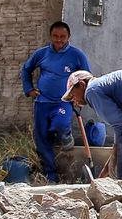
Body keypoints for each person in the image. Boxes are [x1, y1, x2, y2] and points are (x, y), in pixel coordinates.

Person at [21, 21, 90, 183]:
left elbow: (86, 77)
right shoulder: (42, 54)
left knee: (59, 125)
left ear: (68, 37)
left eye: (62, 37)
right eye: (55, 36)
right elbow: (26, 69)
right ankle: (51, 175)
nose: (59, 40)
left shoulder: (77, 55)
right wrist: (29, 89)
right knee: (41, 138)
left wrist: (81, 98)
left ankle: (66, 136)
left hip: (63, 102)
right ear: (51, 36)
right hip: (42, 102)